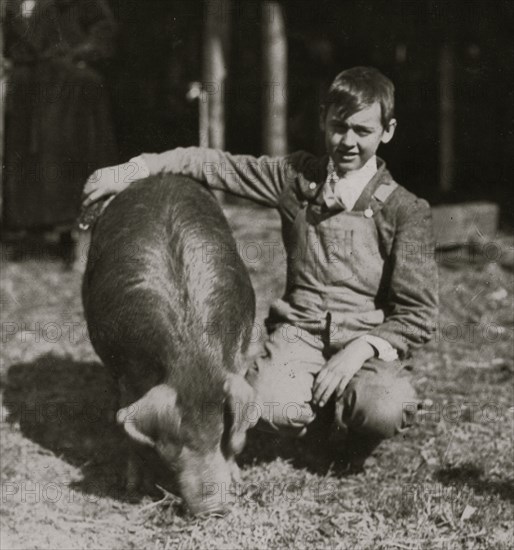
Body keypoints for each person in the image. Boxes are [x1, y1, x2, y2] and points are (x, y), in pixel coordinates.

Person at [81, 67, 439, 471]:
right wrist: (132, 170)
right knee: (261, 405)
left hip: (367, 338)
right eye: (339, 127)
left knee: (384, 406)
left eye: (363, 130)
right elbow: (209, 164)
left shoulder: (407, 211)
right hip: (301, 333)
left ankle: (353, 427)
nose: (349, 141)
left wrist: (358, 351)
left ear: (387, 131)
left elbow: (419, 315)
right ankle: (317, 421)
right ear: (323, 119)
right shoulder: (296, 179)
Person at [3, 0, 117, 259]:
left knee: (64, 155)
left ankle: (70, 230)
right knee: (25, 157)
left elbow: (104, 25)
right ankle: (30, 228)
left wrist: (81, 53)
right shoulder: (11, 4)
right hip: (25, 86)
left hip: (65, 84)